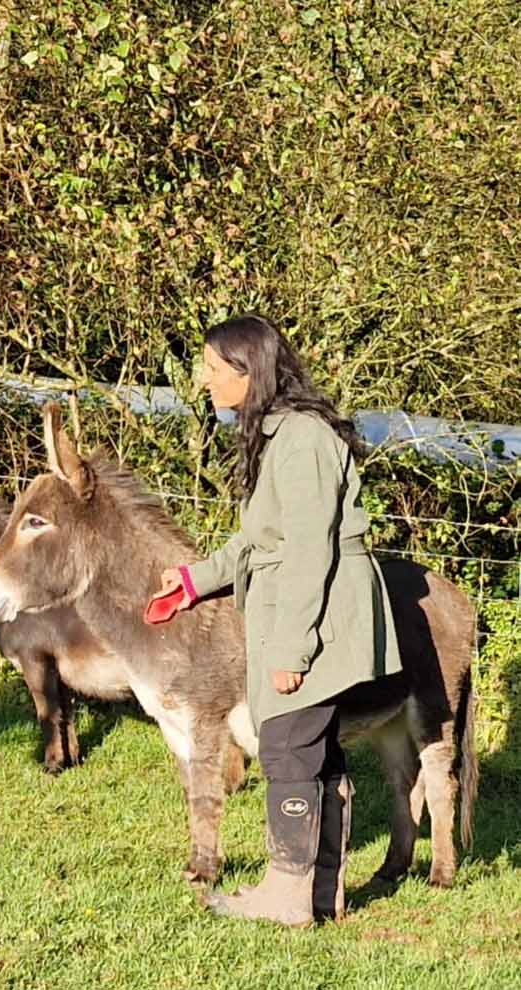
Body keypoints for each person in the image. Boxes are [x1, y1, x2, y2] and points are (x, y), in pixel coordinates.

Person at [150, 314, 400, 926]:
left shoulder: (303, 440)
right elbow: (260, 541)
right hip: (300, 611)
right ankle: (320, 895)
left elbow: (312, 547)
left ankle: (288, 896)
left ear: (248, 370)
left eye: (213, 369)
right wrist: (194, 580)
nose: (204, 380)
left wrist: (293, 649)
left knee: (287, 750)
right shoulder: (278, 435)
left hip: (314, 620)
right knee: (314, 753)